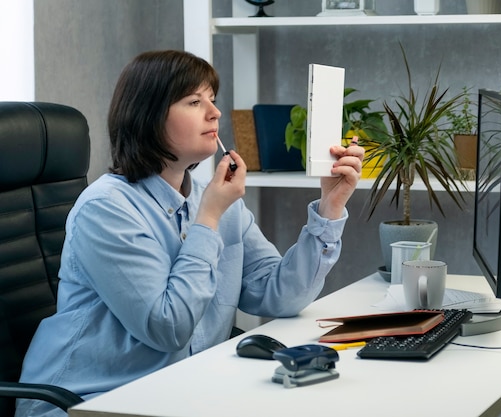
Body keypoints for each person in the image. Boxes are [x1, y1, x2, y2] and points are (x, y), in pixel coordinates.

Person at [16, 50, 363, 417]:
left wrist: (330, 205)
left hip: (181, 392)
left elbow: (280, 296)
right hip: (90, 402)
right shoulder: (105, 209)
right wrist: (208, 219)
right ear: (148, 115)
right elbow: (167, 327)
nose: (214, 112)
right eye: (194, 101)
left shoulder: (212, 197)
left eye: (212, 99)